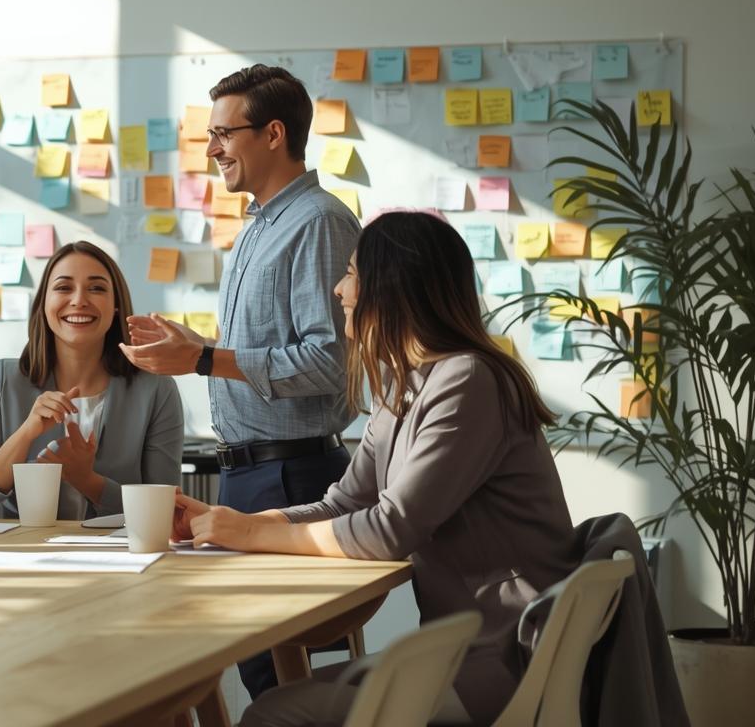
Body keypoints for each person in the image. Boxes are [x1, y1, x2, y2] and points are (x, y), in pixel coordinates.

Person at [168, 212, 576, 727]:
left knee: (274, 713)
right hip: (466, 645)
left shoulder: (467, 381)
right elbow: (341, 503)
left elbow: (390, 530)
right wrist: (226, 524)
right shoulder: (407, 384)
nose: (340, 290)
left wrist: (250, 532)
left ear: (394, 287)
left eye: (352, 274)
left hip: (505, 653)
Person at [120, 64, 361, 697]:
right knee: (258, 669)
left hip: (294, 474)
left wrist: (204, 360)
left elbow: (327, 362)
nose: (212, 149)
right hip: (248, 471)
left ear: (274, 133)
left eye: (224, 133)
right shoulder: (260, 224)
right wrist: (196, 346)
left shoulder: (317, 222)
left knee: (291, 679)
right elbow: (268, 353)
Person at [0, 242, 183, 520]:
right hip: (23, 555)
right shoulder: (4, 381)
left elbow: (166, 511)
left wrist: (86, 480)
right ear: (44, 304)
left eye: (96, 288)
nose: (79, 300)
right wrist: (26, 432)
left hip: (120, 558)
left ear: (115, 307)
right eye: (63, 288)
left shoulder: (156, 389)